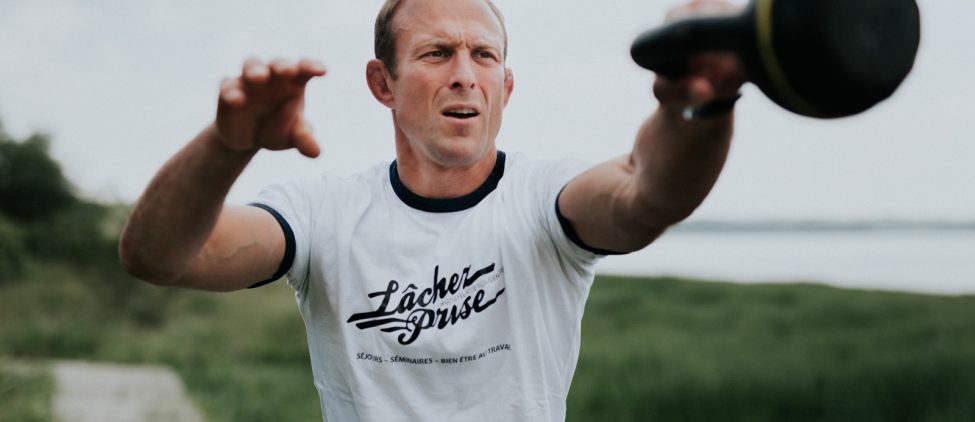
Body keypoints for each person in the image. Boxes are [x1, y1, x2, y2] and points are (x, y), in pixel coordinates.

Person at [119, 0, 744, 420]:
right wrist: (228, 146)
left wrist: (700, 105)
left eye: (485, 56)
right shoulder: (322, 213)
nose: (465, 75)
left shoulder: (543, 198)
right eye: (437, 53)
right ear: (382, 83)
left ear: (506, 86)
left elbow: (648, 196)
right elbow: (161, 257)